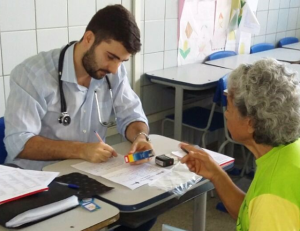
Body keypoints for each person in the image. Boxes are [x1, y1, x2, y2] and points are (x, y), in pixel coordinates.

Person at [4, 5, 156, 231]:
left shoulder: (111, 72)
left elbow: (131, 114)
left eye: (122, 61)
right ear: (88, 38)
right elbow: (19, 142)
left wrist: (140, 136)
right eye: (111, 57)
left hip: (87, 175)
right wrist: (81, 150)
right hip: (38, 182)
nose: (115, 69)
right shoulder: (32, 74)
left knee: (145, 211)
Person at [180, 59, 300, 231]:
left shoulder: (271, 198)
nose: (226, 115)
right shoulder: (288, 150)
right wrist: (216, 173)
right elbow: (251, 214)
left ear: (250, 123)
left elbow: (265, 209)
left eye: (228, 108)